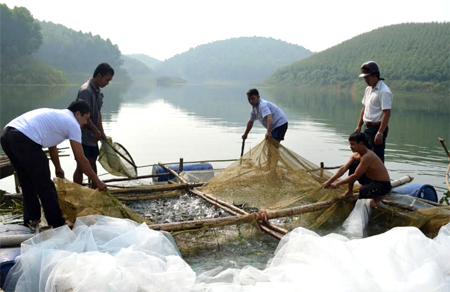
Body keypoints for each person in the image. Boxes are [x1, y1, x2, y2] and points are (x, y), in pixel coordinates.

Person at [0, 100, 107, 228]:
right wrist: (98, 182)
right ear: (77, 114)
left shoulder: (59, 117)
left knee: (26, 179)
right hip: (24, 137)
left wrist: (58, 167)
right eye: (86, 119)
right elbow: (81, 159)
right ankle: (57, 223)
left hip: (6, 136)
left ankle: (32, 219)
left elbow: (52, 145)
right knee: (45, 184)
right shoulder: (72, 123)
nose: (85, 123)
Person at [321, 132, 391, 208]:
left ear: (361, 143)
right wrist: (329, 181)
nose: (350, 147)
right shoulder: (355, 155)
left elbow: (356, 176)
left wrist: (338, 183)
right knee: (353, 165)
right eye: (350, 144)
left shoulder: (368, 156)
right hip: (370, 181)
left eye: (353, 144)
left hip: (382, 185)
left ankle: (380, 197)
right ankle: (349, 191)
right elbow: (343, 168)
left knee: (363, 191)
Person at [73, 63, 114, 188]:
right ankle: (78, 192)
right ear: (99, 75)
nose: (107, 83)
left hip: (93, 135)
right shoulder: (86, 91)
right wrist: (95, 131)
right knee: (81, 165)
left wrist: (101, 132)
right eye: (107, 79)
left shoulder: (98, 92)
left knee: (92, 162)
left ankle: (95, 189)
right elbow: (83, 115)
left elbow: (98, 112)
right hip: (83, 135)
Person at [354, 61, 393, 163]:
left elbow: (387, 113)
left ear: (375, 75)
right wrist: (359, 126)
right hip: (367, 127)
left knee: (376, 158)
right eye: (364, 77)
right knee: (365, 156)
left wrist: (380, 132)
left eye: (367, 77)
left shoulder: (384, 91)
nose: (365, 80)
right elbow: (364, 108)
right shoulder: (368, 89)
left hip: (377, 128)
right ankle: (368, 178)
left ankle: (380, 179)